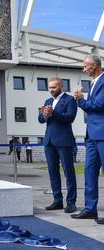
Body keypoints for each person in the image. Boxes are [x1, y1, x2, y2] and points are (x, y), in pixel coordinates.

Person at [72, 54, 104, 224]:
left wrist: (81, 100)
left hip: (102, 134)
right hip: (91, 135)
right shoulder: (93, 83)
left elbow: (99, 105)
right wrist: (81, 101)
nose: (83, 69)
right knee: (89, 172)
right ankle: (90, 209)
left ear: (95, 65)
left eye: (85, 66)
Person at [38, 77, 77, 214]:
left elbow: (70, 117)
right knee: (52, 172)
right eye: (49, 88)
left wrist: (53, 113)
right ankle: (57, 201)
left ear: (61, 87)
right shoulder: (48, 101)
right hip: (49, 141)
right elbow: (40, 120)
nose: (51, 90)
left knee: (68, 172)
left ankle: (71, 202)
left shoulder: (70, 100)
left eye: (53, 87)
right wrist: (45, 114)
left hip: (64, 140)